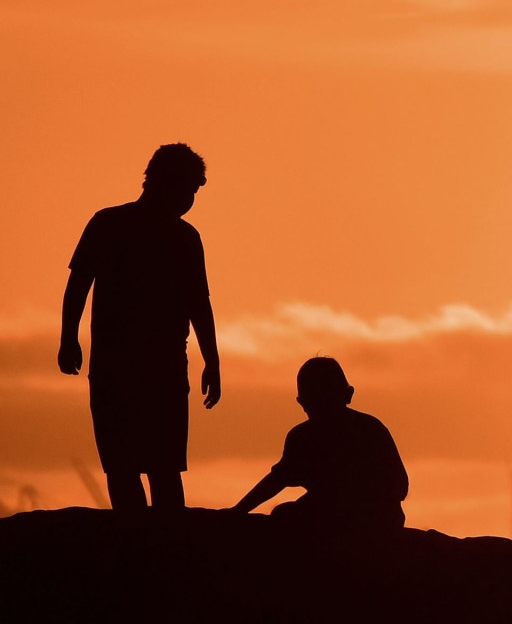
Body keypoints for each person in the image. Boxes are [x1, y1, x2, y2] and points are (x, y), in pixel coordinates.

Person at [58, 143, 221, 515]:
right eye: (187, 190)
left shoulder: (185, 237)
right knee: (123, 466)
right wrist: (69, 338)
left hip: (160, 367)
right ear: (160, 182)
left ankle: (163, 544)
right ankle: (139, 543)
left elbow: (199, 303)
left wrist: (212, 361)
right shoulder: (108, 224)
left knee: (160, 468)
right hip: (118, 367)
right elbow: (79, 284)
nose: (189, 200)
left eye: (193, 193)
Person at [231, 356, 409, 532]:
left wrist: (237, 511)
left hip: (365, 518)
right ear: (349, 394)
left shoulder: (305, 437)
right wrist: (238, 511)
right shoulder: (370, 427)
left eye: (327, 400)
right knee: (285, 513)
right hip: (379, 517)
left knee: (284, 514)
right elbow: (278, 479)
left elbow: (278, 480)